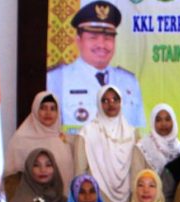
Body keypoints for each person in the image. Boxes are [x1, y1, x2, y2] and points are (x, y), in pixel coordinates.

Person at [47, 0, 144, 128]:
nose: (101, 45)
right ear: (78, 40)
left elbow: (139, 131)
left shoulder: (129, 82)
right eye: (93, 37)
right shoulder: (56, 79)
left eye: (108, 38)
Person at [74, 84, 141, 202]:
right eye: (105, 100)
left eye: (115, 99)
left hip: (127, 199)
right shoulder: (87, 132)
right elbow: (79, 173)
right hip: (96, 197)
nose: (111, 104)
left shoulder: (132, 133)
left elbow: (136, 171)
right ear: (99, 104)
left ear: (121, 102)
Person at [4, 91, 75, 201]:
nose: (48, 113)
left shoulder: (65, 139)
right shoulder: (21, 139)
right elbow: (12, 178)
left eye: (53, 109)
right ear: (35, 110)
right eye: (43, 108)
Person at [135, 104, 180, 175]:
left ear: (173, 121)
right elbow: (136, 177)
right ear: (153, 123)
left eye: (167, 119)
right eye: (158, 120)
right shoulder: (142, 147)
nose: (163, 124)